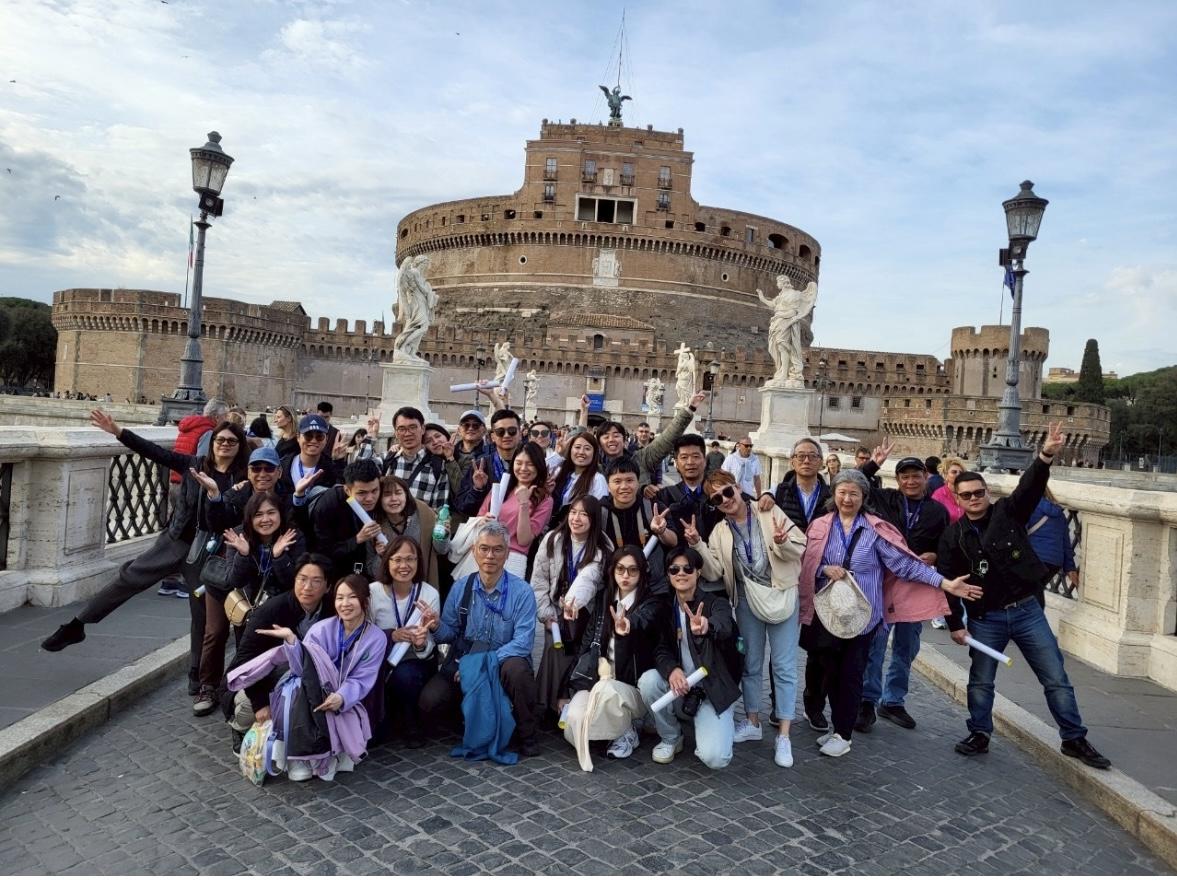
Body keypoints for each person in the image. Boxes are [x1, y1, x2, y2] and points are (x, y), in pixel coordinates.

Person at [42, 412, 249, 709]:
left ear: (239, 446)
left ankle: (197, 674)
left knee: (201, 615)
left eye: (231, 441)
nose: (225, 445)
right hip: (175, 541)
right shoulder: (193, 465)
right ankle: (77, 625)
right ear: (212, 442)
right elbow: (155, 453)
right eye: (220, 440)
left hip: (207, 552)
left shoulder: (241, 480)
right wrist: (118, 432)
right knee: (129, 578)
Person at [936, 422, 1110, 769]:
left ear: (987, 492)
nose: (974, 498)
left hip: (1027, 610)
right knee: (981, 680)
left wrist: (1045, 456)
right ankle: (979, 732)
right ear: (956, 498)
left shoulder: (1007, 512)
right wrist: (955, 624)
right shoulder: (953, 537)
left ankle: (1074, 738)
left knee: (1056, 677)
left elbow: (1030, 487)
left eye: (979, 492)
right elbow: (947, 582)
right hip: (985, 618)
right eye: (966, 495)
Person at [798, 469, 981, 758]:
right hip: (828, 614)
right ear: (834, 495)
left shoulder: (876, 529)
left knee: (851, 675)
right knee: (829, 673)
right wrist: (824, 569)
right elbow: (806, 564)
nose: (847, 498)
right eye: (842, 492)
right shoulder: (820, 526)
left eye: (854, 493)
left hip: (863, 616)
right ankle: (837, 727)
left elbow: (906, 565)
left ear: (864, 497)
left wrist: (945, 583)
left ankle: (843, 734)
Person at [685, 469, 805, 768]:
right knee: (750, 663)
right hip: (748, 600)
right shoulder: (720, 531)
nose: (725, 500)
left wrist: (781, 542)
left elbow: (798, 547)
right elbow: (714, 572)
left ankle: (784, 734)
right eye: (717, 498)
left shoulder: (767, 509)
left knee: (784, 666)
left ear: (738, 487)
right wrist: (698, 544)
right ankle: (753, 721)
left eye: (727, 492)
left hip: (781, 594)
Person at [417, 521, 541, 756]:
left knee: (518, 671)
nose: (490, 556)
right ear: (474, 551)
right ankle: (470, 719)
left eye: (497, 549)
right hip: (465, 657)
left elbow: (523, 643)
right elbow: (450, 634)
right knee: (429, 702)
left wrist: (483, 664)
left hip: (503, 661)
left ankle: (527, 734)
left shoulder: (522, 592)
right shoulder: (461, 587)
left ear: (507, 553)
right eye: (484, 548)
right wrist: (436, 626)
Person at [250, 574, 388, 781]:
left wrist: (342, 697)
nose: (345, 603)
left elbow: (363, 678)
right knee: (297, 693)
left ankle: (324, 756)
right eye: (339, 598)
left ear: (365, 601)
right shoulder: (321, 629)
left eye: (352, 597)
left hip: (344, 695)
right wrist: (292, 641)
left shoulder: (376, 637)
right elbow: (301, 668)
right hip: (310, 689)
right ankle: (298, 757)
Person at [855, 449, 950, 733]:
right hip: (883, 581)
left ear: (925, 477)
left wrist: (936, 555)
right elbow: (853, 482)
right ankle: (867, 701)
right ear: (897, 480)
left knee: (906, 646)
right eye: (905, 477)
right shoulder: (885, 499)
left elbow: (946, 546)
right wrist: (874, 464)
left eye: (915, 476)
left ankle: (893, 700)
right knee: (875, 643)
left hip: (916, 583)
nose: (910, 481)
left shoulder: (937, 511)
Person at [637, 547, 741, 769]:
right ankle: (671, 737)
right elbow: (661, 648)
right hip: (681, 685)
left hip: (711, 689)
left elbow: (724, 625)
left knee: (715, 759)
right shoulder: (666, 607)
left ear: (698, 572)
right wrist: (672, 669)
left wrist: (706, 626)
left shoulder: (716, 603)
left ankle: (713, 723)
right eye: (674, 569)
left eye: (688, 568)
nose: (681, 573)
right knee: (648, 681)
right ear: (668, 575)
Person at [562, 546, 664, 769]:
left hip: (632, 690)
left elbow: (643, 620)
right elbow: (587, 644)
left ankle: (627, 730)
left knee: (606, 689)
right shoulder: (604, 600)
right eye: (620, 569)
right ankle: (613, 727)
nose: (626, 576)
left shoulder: (651, 603)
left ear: (641, 573)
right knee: (574, 721)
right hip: (598, 683)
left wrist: (628, 625)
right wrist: (565, 690)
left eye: (632, 570)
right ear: (613, 571)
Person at [221, 554, 334, 755]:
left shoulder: (332, 609)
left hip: (306, 678)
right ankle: (239, 726)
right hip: (264, 679)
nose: (307, 587)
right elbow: (246, 660)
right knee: (248, 708)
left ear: (327, 586)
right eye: (302, 579)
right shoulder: (272, 611)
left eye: (316, 581)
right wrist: (260, 703)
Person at [765, 437, 833, 731]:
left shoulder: (832, 496)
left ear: (821, 462)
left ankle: (814, 705)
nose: (806, 460)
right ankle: (778, 704)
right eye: (801, 456)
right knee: (782, 650)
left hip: (821, 581)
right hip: (786, 580)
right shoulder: (778, 493)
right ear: (792, 461)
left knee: (821, 649)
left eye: (812, 456)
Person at [531, 496, 612, 720]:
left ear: (594, 519)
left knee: (578, 653)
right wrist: (547, 615)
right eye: (573, 512)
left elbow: (590, 579)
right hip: (554, 611)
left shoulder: (603, 547)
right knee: (553, 648)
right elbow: (538, 581)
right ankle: (547, 704)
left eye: (584, 514)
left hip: (586, 613)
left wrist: (573, 603)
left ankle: (570, 705)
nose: (576, 518)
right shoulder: (553, 539)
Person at [368, 536, 440, 747]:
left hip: (415, 659)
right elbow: (365, 635)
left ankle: (410, 723)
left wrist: (420, 642)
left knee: (405, 676)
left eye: (410, 559)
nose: (404, 565)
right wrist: (391, 635)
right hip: (381, 657)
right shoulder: (372, 592)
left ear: (418, 562)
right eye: (397, 559)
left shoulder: (428, 593)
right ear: (387, 561)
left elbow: (430, 644)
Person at [594, 390, 705, 490]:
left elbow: (666, 439)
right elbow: (583, 445)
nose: (611, 440)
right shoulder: (593, 467)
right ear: (599, 442)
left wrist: (690, 409)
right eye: (606, 436)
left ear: (624, 440)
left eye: (616, 435)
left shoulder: (640, 459)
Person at [476, 442, 553, 577]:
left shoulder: (544, 500)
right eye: (519, 463)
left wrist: (524, 504)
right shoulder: (501, 489)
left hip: (513, 559)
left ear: (539, 466)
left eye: (530, 464)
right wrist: (483, 520)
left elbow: (524, 540)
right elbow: (478, 520)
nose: (523, 468)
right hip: (485, 553)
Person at [299, 459, 383, 574]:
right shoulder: (329, 505)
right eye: (362, 493)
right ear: (347, 490)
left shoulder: (384, 498)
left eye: (374, 491)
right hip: (336, 570)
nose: (370, 498)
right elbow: (322, 551)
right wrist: (357, 539)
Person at [366, 474, 448, 589]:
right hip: (389, 590)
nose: (394, 498)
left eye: (398, 493)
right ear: (379, 499)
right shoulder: (374, 526)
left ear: (406, 495)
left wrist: (443, 535)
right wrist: (381, 556)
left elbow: (441, 550)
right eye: (387, 494)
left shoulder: (424, 514)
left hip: (422, 586)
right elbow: (372, 571)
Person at [454, 408, 524, 516]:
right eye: (500, 432)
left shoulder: (529, 466)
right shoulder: (480, 466)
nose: (506, 435)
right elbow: (463, 507)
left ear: (520, 434)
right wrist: (477, 490)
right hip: (486, 524)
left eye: (512, 431)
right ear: (493, 437)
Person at [381, 406, 449, 511]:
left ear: (423, 429)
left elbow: (440, 510)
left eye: (412, 427)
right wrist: (371, 436)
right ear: (396, 433)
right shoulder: (386, 459)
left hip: (421, 521)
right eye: (402, 429)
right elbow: (360, 475)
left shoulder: (439, 466)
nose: (407, 433)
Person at [1026, 488, 1079, 602]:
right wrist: (1070, 568)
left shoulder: (1028, 508)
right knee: (1035, 592)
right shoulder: (1059, 513)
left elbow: (1017, 534)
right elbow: (1066, 543)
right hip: (1054, 563)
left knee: (1027, 595)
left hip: (1035, 559)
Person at [548, 431, 609, 523]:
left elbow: (600, 513)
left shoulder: (597, 479)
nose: (581, 452)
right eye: (577, 447)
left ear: (594, 453)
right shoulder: (561, 472)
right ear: (570, 449)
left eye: (587, 448)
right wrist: (559, 454)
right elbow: (536, 471)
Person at [280, 413, 341, 498]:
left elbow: (343, 494)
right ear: (298, 437)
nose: (313, 441)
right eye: (308, 436)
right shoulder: (283, 466)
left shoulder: (332, 468)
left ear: (326, 439)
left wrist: (339, 462)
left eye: (319, 437)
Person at [930, 457, 966, 524]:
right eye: (954, 472)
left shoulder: (968, 492)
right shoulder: (938, 496)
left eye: (961, 472)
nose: (958, 474)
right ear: (946, 475)